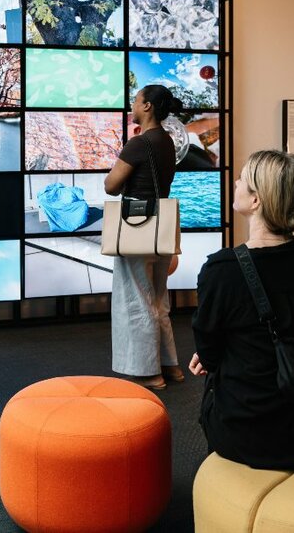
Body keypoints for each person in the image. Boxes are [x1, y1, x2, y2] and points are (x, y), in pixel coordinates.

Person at [189, 150, 294, 469]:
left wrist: (212, 357)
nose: (235, 182)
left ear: (256, 201)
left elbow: (209, 351)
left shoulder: (221, 270)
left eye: (242, 180)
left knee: (213, 382)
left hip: (249, 435)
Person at [104, 85, 185, 390]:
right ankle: (171, 365)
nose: (133, 103)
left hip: (137, 226)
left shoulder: (138, 143)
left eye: (136, 100)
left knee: (136, 298)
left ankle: (150, 372)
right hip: (161, 227)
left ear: (147, 106)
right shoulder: (166, 140)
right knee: (158, 299)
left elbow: (111, 186)